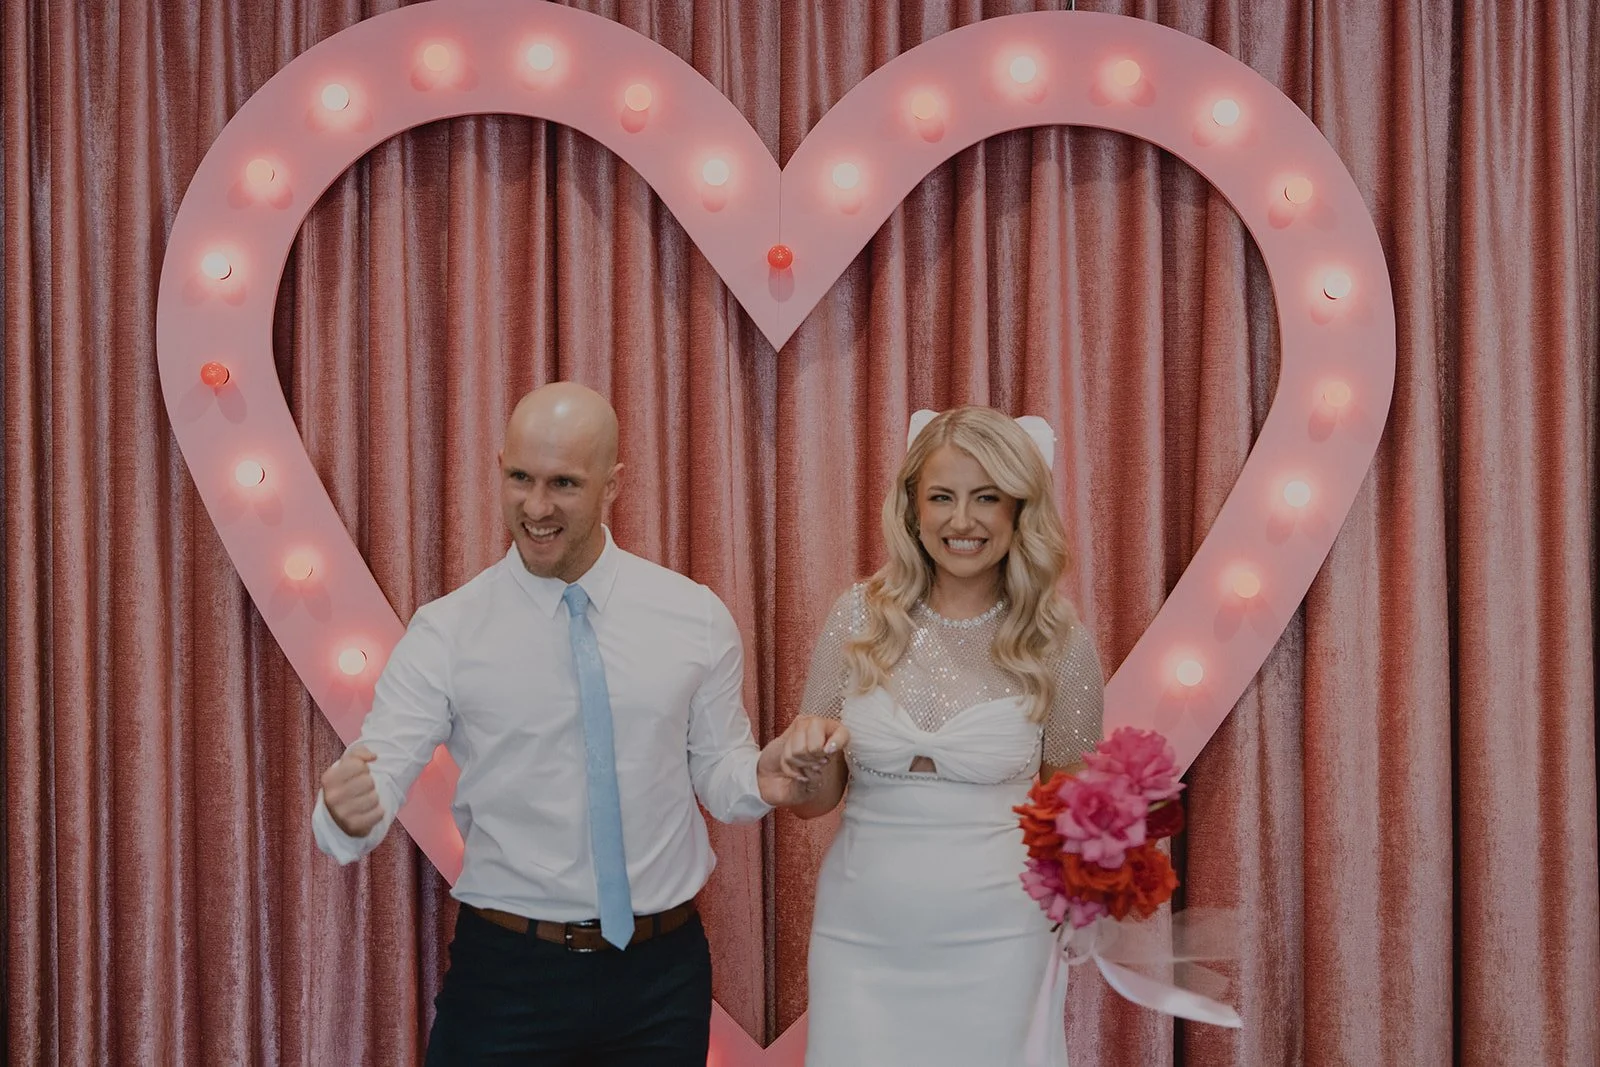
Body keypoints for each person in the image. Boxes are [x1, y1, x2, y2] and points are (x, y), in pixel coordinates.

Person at [312, 382, 844, 1065]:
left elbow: (720, 775)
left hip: (660, 979)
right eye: (520, 478)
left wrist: (762, 777)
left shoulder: (694, 616)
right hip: (507, 977)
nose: (536, 507)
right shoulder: (447, 631)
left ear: (613, 484)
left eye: (563, 483)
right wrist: (346, 814)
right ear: (500, 465)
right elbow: (378, 773)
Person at [787, 406, 1105, 1067]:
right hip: (860, 935)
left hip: (1000, 939)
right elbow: (813, 801)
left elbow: (1072, 812)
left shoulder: (1059, 641)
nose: (962, 520)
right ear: (912, 508)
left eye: (986, 497)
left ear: (1020, 508)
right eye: (942, 497)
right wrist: (804, 757)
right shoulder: (857, 615)